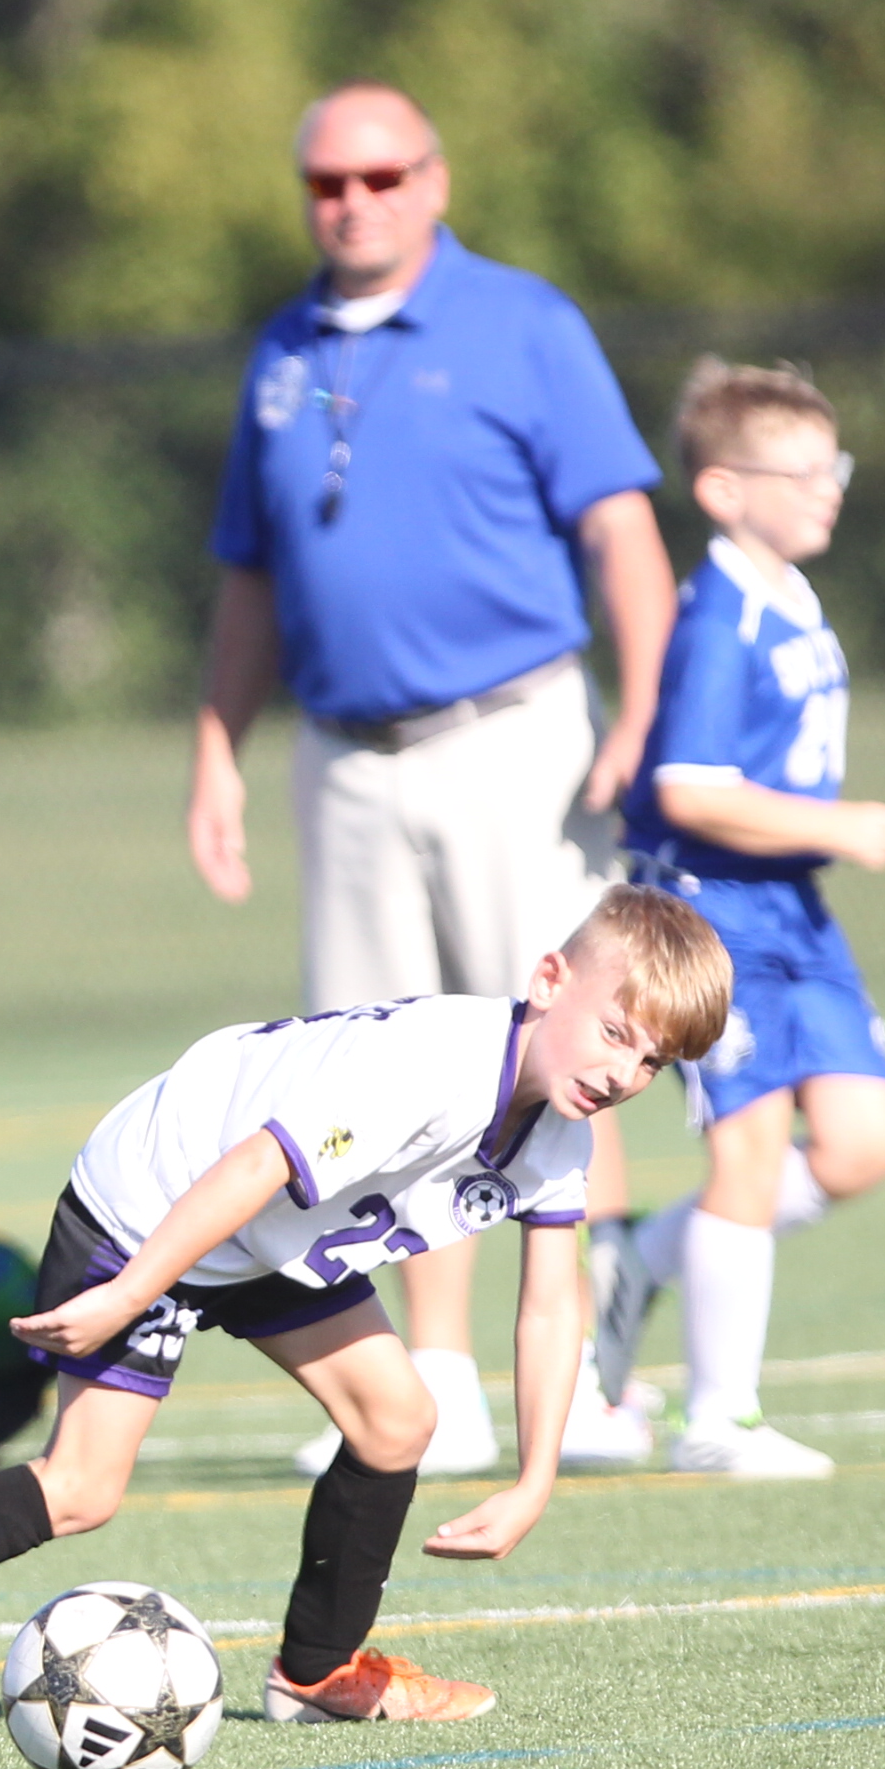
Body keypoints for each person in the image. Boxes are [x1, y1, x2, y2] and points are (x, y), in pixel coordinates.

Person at [0, 886, 732, 1756]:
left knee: (396, 1421)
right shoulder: (434, 1069)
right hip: (157, 1204)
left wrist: (536, 1479)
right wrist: (127, 1293)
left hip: (268, 1233)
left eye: (653, 1063)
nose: (623, 1074)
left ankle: (316, 1672)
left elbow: (551, 1303)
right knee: (81, 1488)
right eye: (616, 1034)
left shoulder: (559, 1137)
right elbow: (252, 1164)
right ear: (549, 981)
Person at [186, 86, 673, 1478]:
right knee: (380, 1076)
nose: (355, 202)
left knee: (573, 1044)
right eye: (328, 182)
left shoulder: (523, 323)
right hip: (347, 759)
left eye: (383, 176)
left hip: (513, 736)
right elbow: (252, 578)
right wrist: (217, 747)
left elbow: (622, 532)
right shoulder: (284, 350)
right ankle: (439, 1380)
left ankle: (585, 1382)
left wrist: (643, 710)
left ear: (435, 182)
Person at [591, 361, 885, 1477]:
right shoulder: (719, 616)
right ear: (724, 490)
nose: (830, 489)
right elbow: (687, 788)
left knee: (866, 1144)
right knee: (751, 1151)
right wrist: (838, 822)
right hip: (714, 914)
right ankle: (717, 1420)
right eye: (802, 471)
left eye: (835, 466)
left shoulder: (790, 593)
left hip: (793, 909)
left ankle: (643, 1259)